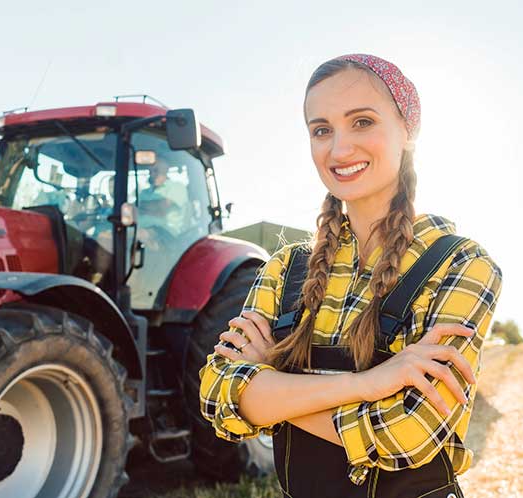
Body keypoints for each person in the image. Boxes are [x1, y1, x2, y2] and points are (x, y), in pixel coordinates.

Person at [198, 54, 503, 498]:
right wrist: (365, 385)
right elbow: (216, 395)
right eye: (321, 130)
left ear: (409, 131)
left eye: (362, 122)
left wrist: (270, 388)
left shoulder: (461, 266)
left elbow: (407, 433)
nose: (339, 150)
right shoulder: (286, 269)